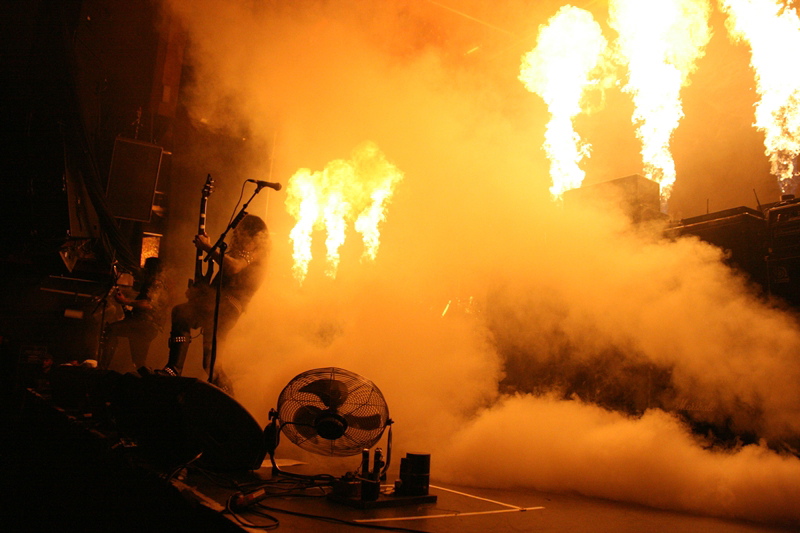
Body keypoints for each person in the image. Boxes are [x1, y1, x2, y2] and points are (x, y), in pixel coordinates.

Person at [160, 213, 269, 393]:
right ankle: (229, 399)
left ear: (252, 232)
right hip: (219, 304)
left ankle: (174, 369)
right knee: (210, 364)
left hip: (226, 307)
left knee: (182, 314)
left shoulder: (257, 252)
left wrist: (207, 247)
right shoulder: (243, 252)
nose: (237, 233)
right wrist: (199, 292)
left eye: (241, 230)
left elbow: (233, 267)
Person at [100, 257, 166, 371]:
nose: (143, 271)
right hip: (145, 326)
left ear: (150, 270)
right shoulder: (154, 284)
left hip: (144, 325)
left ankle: (102, 368)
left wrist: (125, 301)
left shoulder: (156, 283)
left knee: (111, 330)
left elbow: (148, 304)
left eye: (145, 268)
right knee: (139, 363)